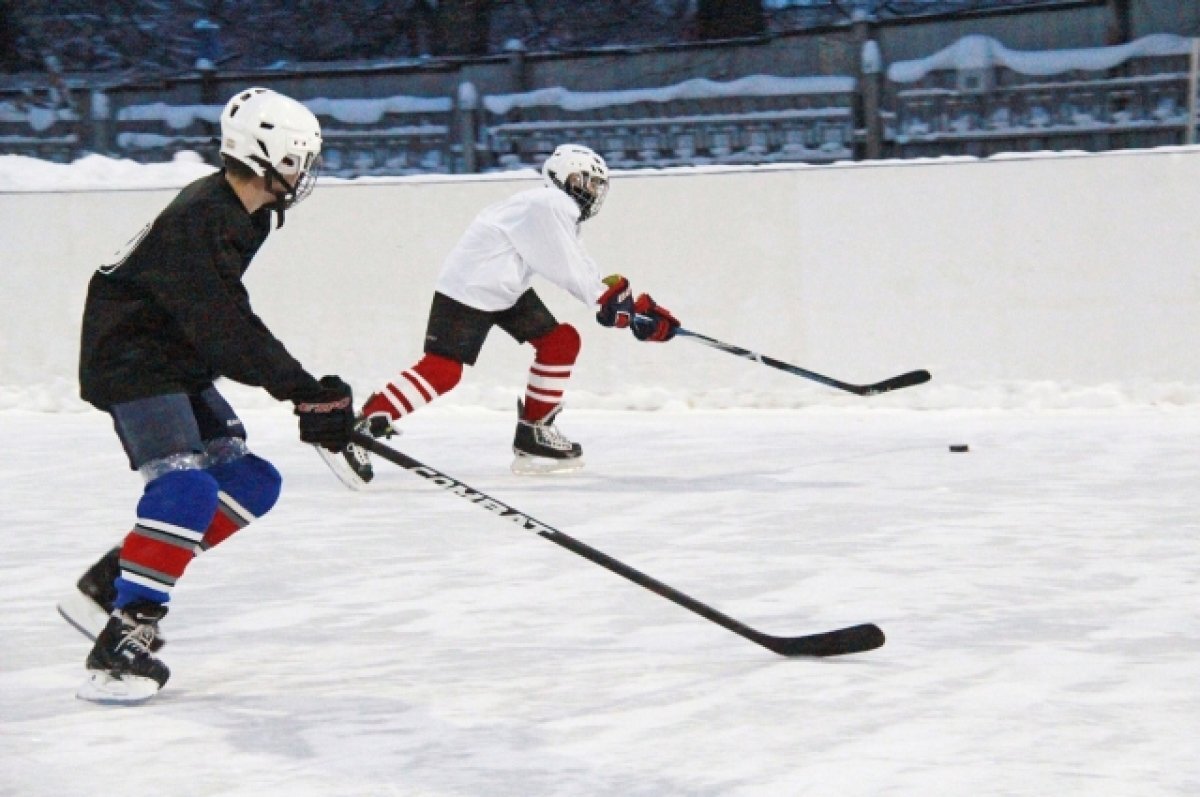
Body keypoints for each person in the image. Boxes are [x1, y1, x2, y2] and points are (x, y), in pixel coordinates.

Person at [57, 87, 356, 705]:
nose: (305, 174)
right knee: (185, 488)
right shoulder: (205, 215)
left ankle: (115, 577)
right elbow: (221, 326)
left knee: (251, 483)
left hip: (171, 356)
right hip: (131, 356)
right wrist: (302, 389)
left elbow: (223, 319)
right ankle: (123, 637)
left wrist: (306, 394)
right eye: (300, 159)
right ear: (269, 154)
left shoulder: (243, 212)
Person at [319, 143, 680, 487]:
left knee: (560, 341)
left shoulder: (553, 209)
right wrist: (615, 305)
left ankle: (534, 432)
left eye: (597, 186)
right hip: (471, 289)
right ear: (561, 177)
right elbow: (570, 270)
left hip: (503, 290)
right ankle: (361, 428)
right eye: (584, 181)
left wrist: (631, 308)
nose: (591, 192)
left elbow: (581, 266)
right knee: (443, 370)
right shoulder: (550, 202)